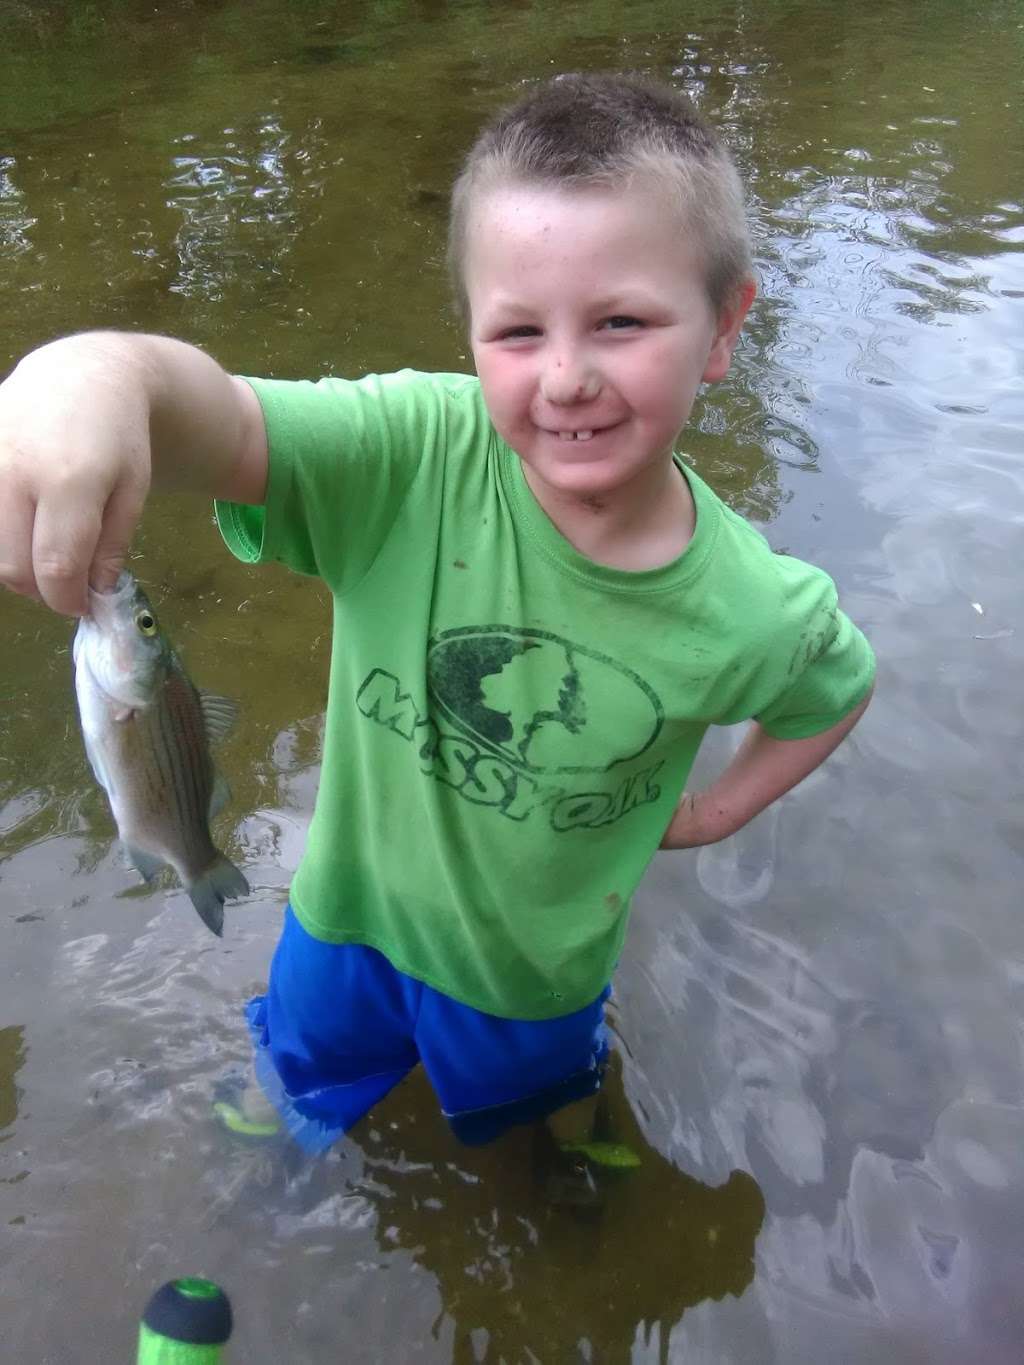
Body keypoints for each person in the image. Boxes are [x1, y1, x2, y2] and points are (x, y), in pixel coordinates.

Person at [0, 74, 874, 1188]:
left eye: (621, 320)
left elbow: (834, 690)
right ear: (468, 331)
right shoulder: (411, 457)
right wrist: (96, 374)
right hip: (344, 921)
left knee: (533, 1107)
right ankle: (277, 1135)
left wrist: (712, 811)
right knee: (302, 1060)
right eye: (517, 330)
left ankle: (571, 1147)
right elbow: (215, 419)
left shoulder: (757, 606)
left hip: (533, 974)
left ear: (722, 328)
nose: (567, 376)